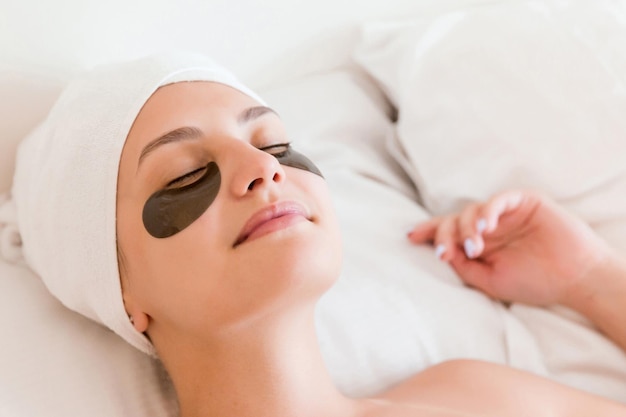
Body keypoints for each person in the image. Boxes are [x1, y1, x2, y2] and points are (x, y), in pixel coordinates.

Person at [12, 52, 626, 417]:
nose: (264, 169)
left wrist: (591, 280)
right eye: (186, 174)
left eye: (273, 143)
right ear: (122, 293)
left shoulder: (471, 396)